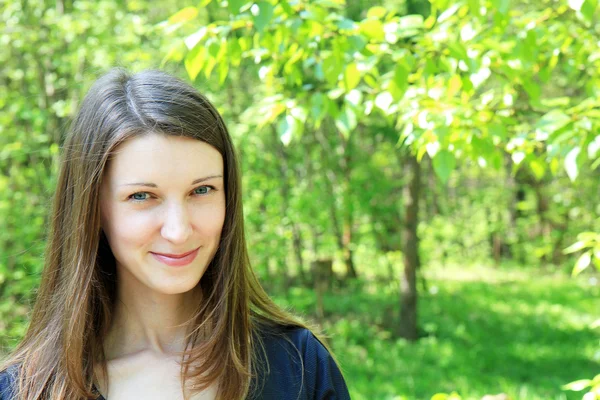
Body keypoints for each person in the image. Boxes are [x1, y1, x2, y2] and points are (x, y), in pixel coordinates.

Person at [0, 69, 350, 400]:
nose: (179, 230)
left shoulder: (297, 368)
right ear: (93, 210)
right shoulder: (24, 389)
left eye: (202, 191)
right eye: (142, 196)